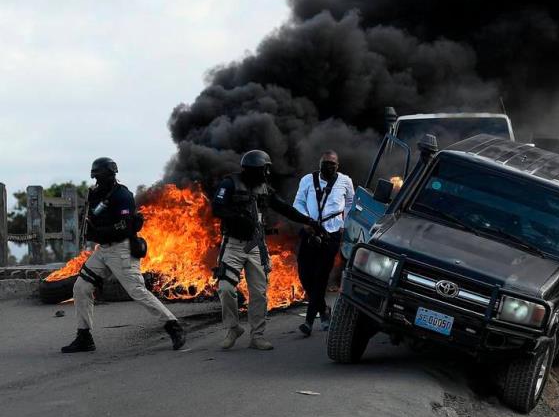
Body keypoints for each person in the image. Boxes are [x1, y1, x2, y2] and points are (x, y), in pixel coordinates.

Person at [62, 157, 186, 353]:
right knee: (81, 287)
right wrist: (92, 229)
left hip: (122, 249)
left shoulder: (123, 195)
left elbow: (125, 225)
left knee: (137, 291)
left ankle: (173, 325)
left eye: (101, 176)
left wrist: (102, 231)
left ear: (111, 175)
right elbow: (92, 219)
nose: (98, 180)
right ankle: (84, 336)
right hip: (102, 250)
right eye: (96, 177)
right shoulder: (95, 195)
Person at [211, 149, 318, 350]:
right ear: (255, 169)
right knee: (225, 289)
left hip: (255, 246)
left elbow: (285, 208)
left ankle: (257, 335)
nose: (267, 173)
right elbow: (217, 207)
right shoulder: (229, 183)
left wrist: (308, 221)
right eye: (265, 169)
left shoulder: (265, 189)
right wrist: (237, 217)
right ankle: (233, 328)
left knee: (259, 293)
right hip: (233, 244)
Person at [292, 150, 354, 336]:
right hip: (310, 231)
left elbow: (351, 202)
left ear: (337, 166)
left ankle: (309, 322)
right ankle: (324, 310)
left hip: (332, 234)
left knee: (320, 277)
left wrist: (345, 223)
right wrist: (306, 221)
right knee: (304, 275)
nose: (328, 166)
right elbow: (298, 203)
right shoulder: (307, 180)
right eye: (325, 163)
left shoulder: (345, 181)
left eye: (332, 163)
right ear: (319, 165)